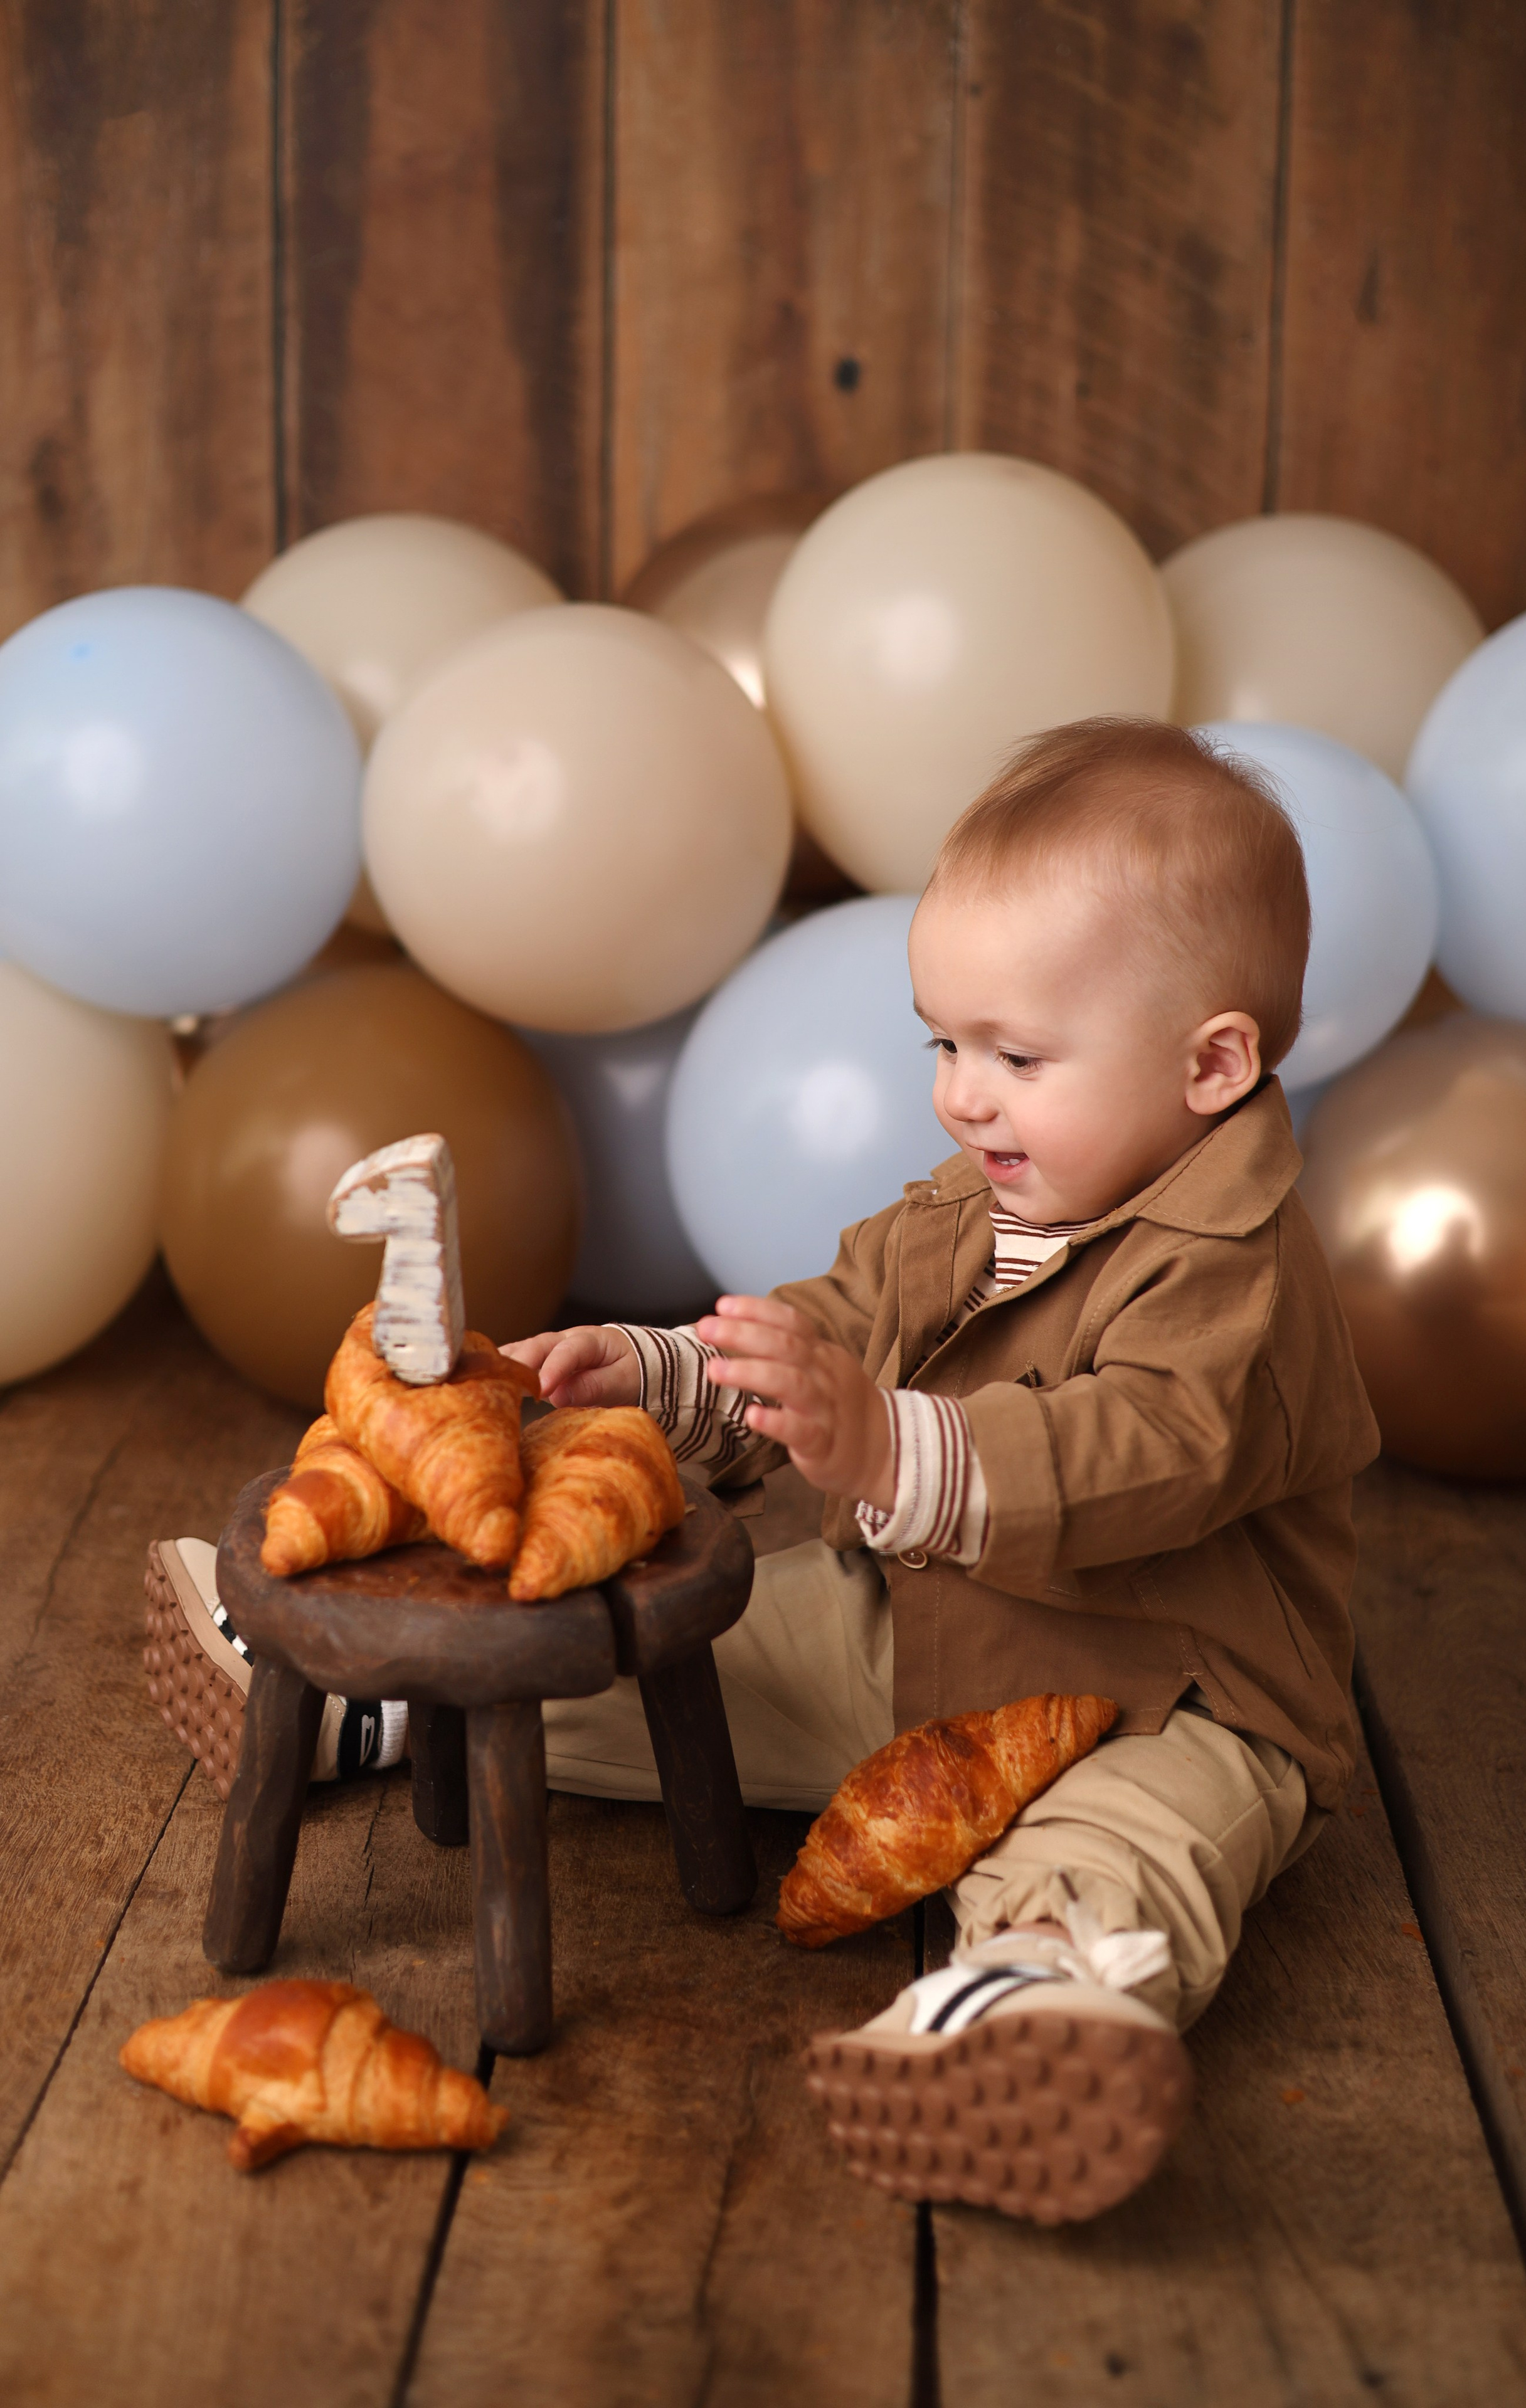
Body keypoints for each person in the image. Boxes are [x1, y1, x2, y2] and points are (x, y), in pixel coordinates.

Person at [504, 717, 1379, 2224]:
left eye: (1016, 1056)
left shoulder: (1241, 1275)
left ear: (1211, 1064)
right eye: (944, 1043)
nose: (961, 1096)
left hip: (1168, 1690)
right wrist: (661, 1372)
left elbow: (1143, 1452)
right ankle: (398, 1700)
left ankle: (1033, 2023)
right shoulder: (973, 1204)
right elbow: (829, 1335)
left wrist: (884, 1439)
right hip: (909, 1632)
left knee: (1124, 1855)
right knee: (656, 1648)